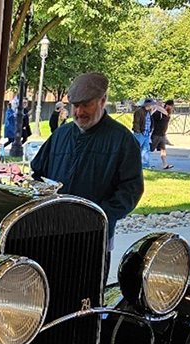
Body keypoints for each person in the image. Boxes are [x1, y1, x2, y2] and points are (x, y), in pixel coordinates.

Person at [30, 72, 144, 247]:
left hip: (94, 236)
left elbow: (131, 190)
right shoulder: (61, 134)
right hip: (51, 232)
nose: (79, 112)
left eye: (86, 105)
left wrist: (97, 216)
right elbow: (38, 174)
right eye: (75, 106)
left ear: (103, 101)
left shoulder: (122, 139)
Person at [149, 99, 174, 169]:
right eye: (171, 106)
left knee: (163, 149)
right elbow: (152, 119)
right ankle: (144, 162)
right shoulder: (159, 113)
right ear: (168, 105)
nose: (172, 108)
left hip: (162, 134)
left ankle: (165, 164)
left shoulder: (167, 113)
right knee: (149, 149)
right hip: (156, 134)